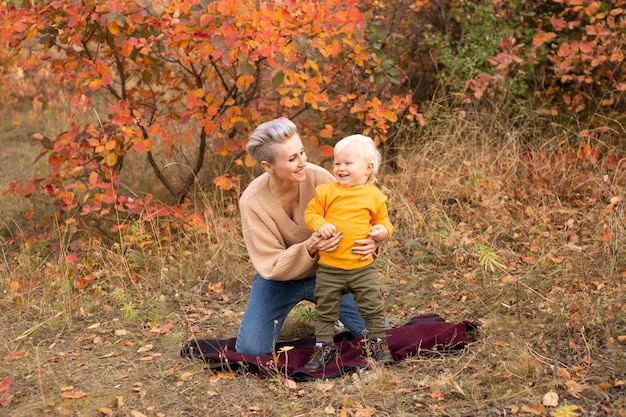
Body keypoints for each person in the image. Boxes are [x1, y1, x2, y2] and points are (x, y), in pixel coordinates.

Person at [235, 117, 382, 356]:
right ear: (267, 166)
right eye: (292, 159)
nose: (303, 162)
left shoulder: (320, 178)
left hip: (330, 272)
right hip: (278, 281)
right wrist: (310, 247)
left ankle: (334, 316)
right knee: (251, 350)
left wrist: (372, 241)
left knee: (378, 333)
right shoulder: (252, 201)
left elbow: (358, 216)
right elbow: (271, 265)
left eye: (302, 152)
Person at [303, 134, 394, 371]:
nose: (340, 168)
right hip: (330, 268)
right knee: (325, 309)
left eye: (347, 163)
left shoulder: (374, 195)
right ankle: (324, 346)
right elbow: (311, 214)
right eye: (337, 163)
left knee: (372, 305)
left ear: (368, 168)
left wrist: (381, 232)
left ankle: (377, 342)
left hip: (362, 267)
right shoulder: (326, 192)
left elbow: (385, 222)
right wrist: (319, 224)